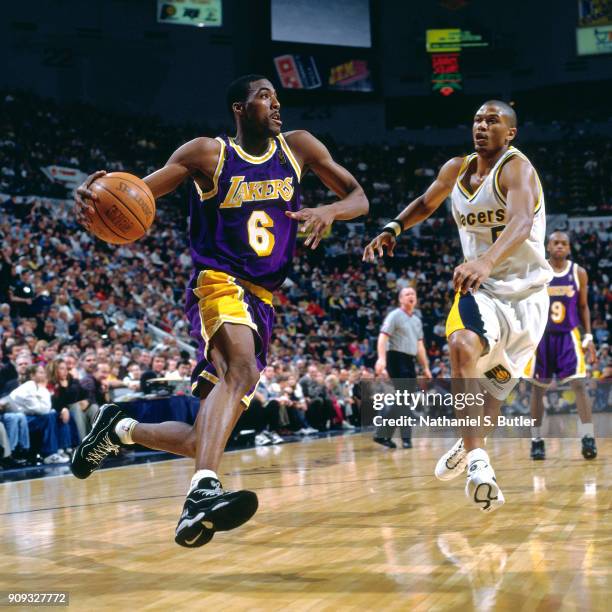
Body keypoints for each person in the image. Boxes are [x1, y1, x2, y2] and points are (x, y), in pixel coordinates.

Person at [72, 74, 368, 547]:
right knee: (241, 367)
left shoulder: (300, 147)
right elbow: (136, 197)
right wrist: (98, 195)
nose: (275, 103)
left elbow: (359, 197)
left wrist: (331, 212)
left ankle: (119, 429)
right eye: (264, 96)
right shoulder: (207, 154)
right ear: (238, 107)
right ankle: (202, 494)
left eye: (276, 96)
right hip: (219, 282)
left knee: (199, 436)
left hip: (264, 300)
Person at [364, 100, 552, 512]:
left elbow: (520, 222)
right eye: (477, 120)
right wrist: (393, 226)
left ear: (511, 133)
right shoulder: (457, 169)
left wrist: (486, 259)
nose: (482, 126)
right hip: (480, 289)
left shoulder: (517, 169)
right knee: (462, 344)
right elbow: (426, 202)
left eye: (492, 121)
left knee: (493, 393)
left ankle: (467, 446)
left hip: (529, 298)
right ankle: (479, 464)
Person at [527, 232, 598, 460]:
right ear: (548, 247)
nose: (559, 246)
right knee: (537, 389)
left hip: (568, 336)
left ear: (568, 248)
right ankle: (536, 440)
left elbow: (584, 306)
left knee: (579, 384)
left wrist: (588, 336)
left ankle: (588, 437)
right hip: (542, 337)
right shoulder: (538, 271)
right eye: (555, 242)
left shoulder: (578, 273)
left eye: (564, 243)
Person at [373, 286, 432, 449]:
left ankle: (382, 435)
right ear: (400, 299)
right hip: (395, 358)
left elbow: (420, 346)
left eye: (413, 293)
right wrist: (381, 359)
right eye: (407, 294)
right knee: (404, 400)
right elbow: (382, 338)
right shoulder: (394, 316)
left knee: (403, 401)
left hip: (409, 360)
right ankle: (406, 439)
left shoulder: (417, 320)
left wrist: (425, 367)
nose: (411, 296)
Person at [7, 365, 71, 464]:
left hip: (30, 417)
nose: (44, 374)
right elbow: (42, 410)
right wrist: (44, 391)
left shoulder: (37, 387)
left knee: (57, 415)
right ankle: (50, 454)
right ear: (32, 375)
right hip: (21, 420)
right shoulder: (28, 386)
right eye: (40, 372)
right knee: (50, 416)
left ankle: (61, 449)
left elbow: (45, 407)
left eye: (44, 372)